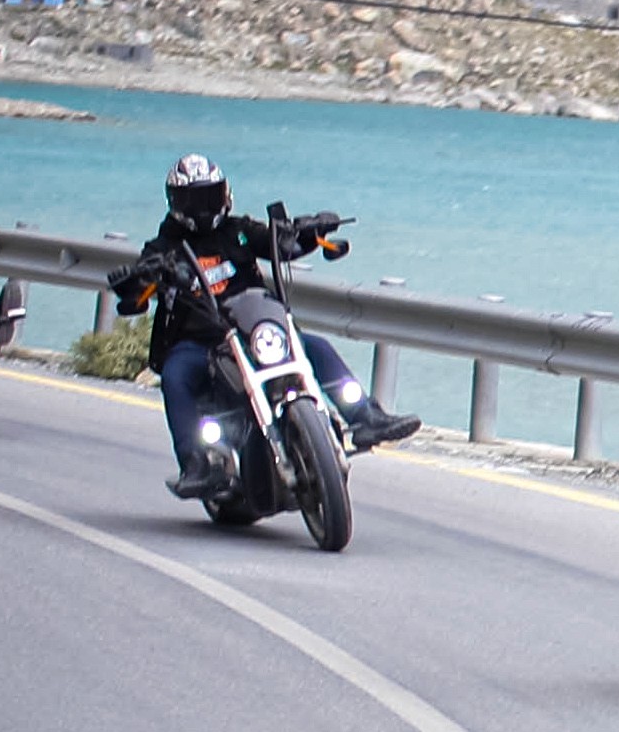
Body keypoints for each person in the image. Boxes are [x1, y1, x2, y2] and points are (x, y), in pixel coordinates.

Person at [111, 152, 417, 495]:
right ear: (176, 203)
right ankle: (195, 462)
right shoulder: (163, 247)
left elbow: (281, 244)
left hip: (254, 330)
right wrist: (134, 280)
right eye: (194, 199)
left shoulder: (238, 231)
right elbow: (137, 287)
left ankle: (365, 416)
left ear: (225, 193)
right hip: (202, 342)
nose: (204, 207)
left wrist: (310, 231)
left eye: (210, 195)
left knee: (315, 347)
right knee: (175, 375)